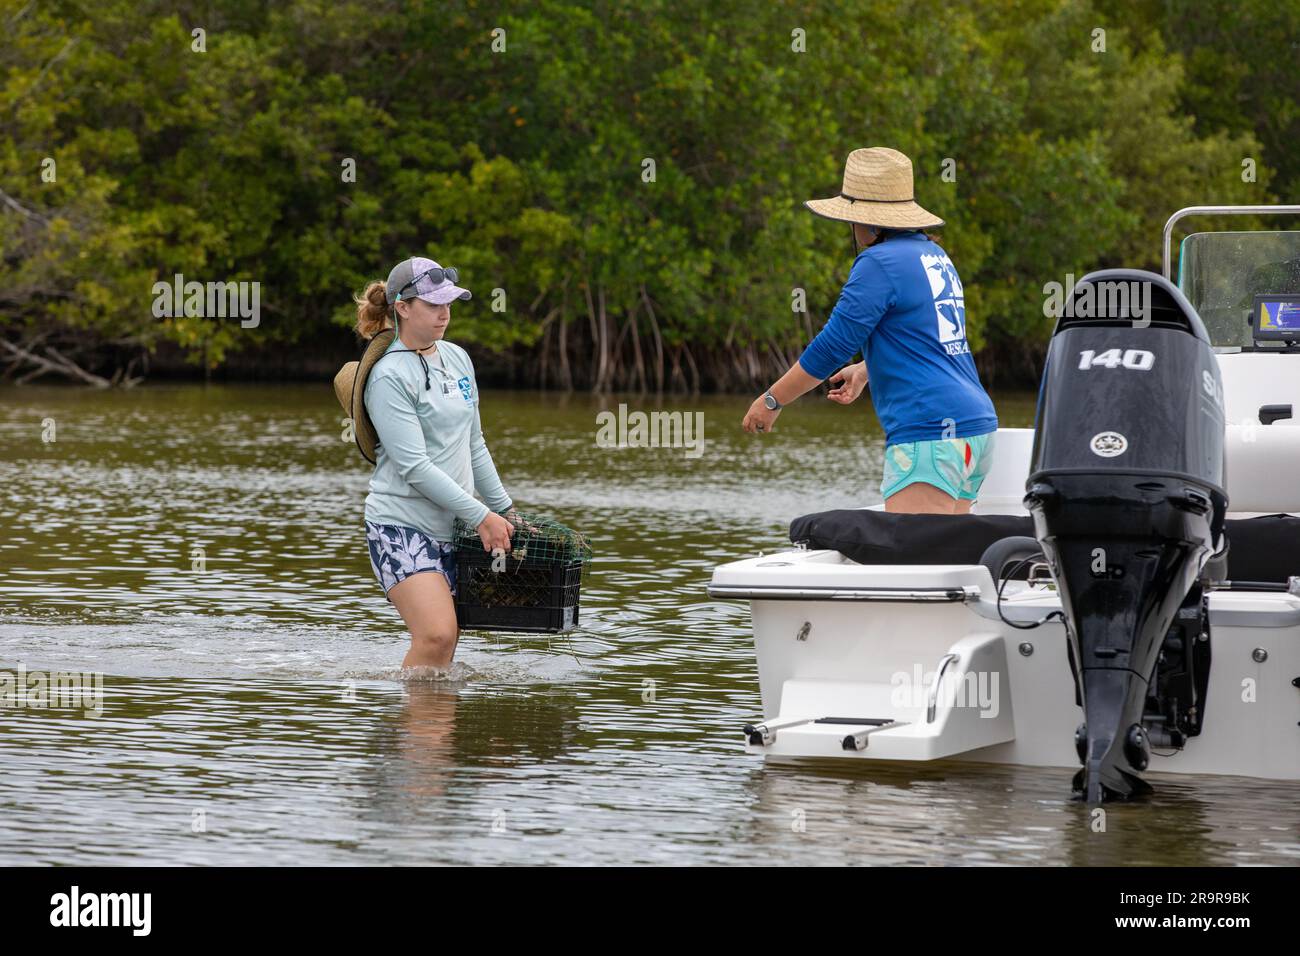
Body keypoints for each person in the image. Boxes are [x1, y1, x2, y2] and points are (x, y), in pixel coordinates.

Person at [741, 147, 999, 514]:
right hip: (976, 428)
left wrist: (772, 400)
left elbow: (831, 346)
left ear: (871, 222)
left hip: (928, 432)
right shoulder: (934, 255)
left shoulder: (879, 262)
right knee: (945, 560)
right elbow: (932, 340)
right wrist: (866, 370)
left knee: (912, 563)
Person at [350, 257, 516, 672]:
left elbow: (474, 443)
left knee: (446, 643)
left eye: (449, 304)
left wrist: (504, 510)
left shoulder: (459, 358)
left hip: (454, 527)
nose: (444, 314)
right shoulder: (389, 375)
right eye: (433, 304)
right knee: (437, 634)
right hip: (400, 524)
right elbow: (414, 467)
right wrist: (482, 516)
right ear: (402, 307)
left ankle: (428, 733)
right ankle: (412, 733)